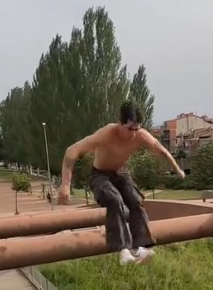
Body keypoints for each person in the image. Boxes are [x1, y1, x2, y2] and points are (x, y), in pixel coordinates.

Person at [58, 101, 186, 265]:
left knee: (135, 199)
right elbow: (71, 151)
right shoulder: (106, 133)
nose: (133, 134)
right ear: (120, 124)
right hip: (100, 175)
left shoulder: (141, 135)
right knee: (114, 199)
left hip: (120, 173)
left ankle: (141, 247)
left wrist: (177, 170)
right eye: (129, 129)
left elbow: (162, 150)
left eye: (136, 129)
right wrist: (65, 185)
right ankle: (123, 251)